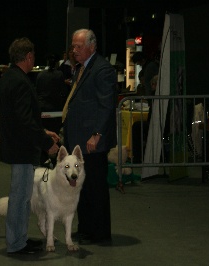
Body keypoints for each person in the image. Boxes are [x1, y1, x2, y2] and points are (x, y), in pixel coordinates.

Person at [0, 37, 60, 255]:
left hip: (17, 146)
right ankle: (16, 244)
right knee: (20, 198)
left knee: (21, 197)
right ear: (29, 56)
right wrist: (46, 144)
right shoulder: (21, 82)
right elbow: (24, 121)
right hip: (21, 149)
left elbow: (18, 119)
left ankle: (20, 240)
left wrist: (43, 132)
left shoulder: (9, 78)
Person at [63, 29, 117, 244]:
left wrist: (96, 135)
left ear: (92, 47)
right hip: (78, 140)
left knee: (95, 188)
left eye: (79, 46)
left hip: (92, 141)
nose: (74, 50)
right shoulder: (82, 68)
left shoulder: (102, 69)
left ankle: (100, 233)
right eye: (73, 46)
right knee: (81, 188)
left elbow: (106, 106)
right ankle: (85, 229)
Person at [36, 54, 67, 134]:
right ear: (57, 63)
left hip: (42, 108)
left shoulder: (40, 74)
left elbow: (37, 91)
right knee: (54, 134)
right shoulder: (59, 74)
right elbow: (64, 92)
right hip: (54, 109)